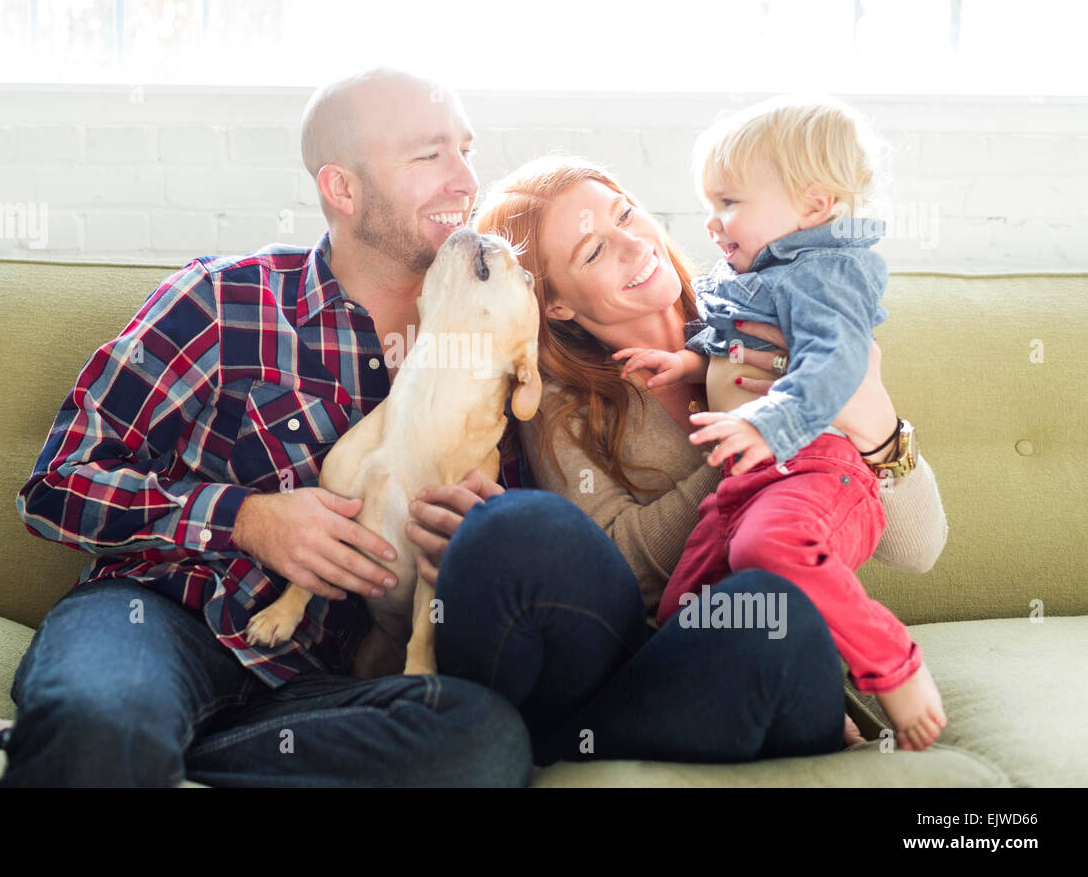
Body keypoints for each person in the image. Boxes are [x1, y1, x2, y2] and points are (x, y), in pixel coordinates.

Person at [0, 66, 534, 787]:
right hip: (160, 620)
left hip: (320, 683)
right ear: (343, 188)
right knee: (106, 724)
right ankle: (103, 741)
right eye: (429, 155)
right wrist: (244, 519)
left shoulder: (495, 333)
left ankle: (14, 739)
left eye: (467, 149)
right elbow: (53, 487)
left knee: (482, 744)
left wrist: (473, 542)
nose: (464, 180)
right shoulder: (221, 299)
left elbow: (502, 541)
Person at [400, 149, 948, 763]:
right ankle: (525, 742)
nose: (634, 246)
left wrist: (872, 423)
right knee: (519, 529)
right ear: (556, 305)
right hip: (667, 653)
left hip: (780, 652)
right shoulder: (566, 409)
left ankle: (550, 745)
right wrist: (753, 438)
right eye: (594, 252)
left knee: (775, 609)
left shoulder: (767, 310)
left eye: (625, 215)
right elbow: (622, 567)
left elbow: (918, 549)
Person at [619, 96, 946, 749]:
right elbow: (738, 346)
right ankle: (818, 700)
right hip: (750, 480)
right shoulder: (759, 273)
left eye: (731, 203)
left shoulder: (825, 271)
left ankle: (894, 667)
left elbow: (835, 364)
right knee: (683, 611)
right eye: (710, 205)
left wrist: (769, 422)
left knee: (770, 550)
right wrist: (685, 362)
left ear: (814, 206)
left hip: (818, 469)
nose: (713, 223)